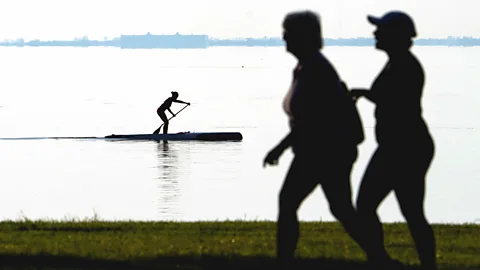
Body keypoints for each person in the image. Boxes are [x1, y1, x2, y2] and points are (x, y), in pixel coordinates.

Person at [263, 10, 375, 268]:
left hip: (323, 152)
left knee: (292, 202)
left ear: (303, 36)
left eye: (288, 32)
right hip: (317, 150)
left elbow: (313, 119)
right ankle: (378, 256)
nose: (284, 37)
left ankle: (285, 261)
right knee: (339, 208)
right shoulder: (304, 67)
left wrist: (280, 148)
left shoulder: (316, 69)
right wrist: (284, 147)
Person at [350, 11, 437, 270]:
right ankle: (383, 259)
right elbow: (389, 97)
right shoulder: (398, 63)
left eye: (380, 30)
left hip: (404, 148)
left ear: (394, 36)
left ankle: (385, 260)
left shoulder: (404, 66)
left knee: (383, 208)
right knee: (386, 209)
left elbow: (397, 102)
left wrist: (367, 94)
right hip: (398, 146)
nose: (375, 34)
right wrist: (365, 93)